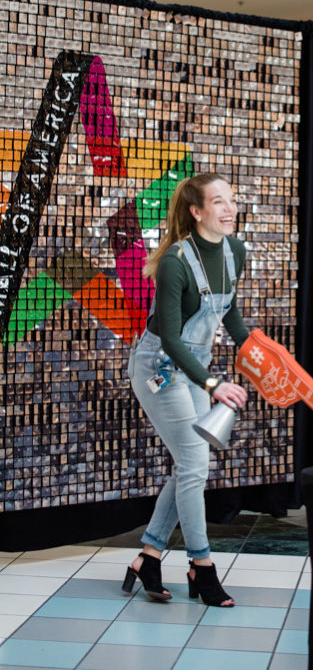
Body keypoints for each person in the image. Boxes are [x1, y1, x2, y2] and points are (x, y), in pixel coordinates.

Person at [123, 173, 249, 607]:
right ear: (197, 212)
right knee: (195, 464)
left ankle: (149, 556)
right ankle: (202, 566)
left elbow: (229, 315)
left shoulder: (235, 251)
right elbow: (173, 339)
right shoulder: (176, 261)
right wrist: (214, 384)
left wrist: (261, 355)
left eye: (231, 200)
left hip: (194, 369)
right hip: (159, 367)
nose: (230, 209)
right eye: (219, 202)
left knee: (189, 468)